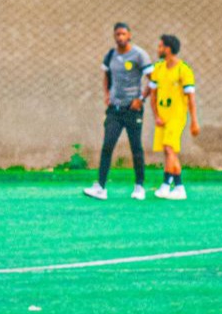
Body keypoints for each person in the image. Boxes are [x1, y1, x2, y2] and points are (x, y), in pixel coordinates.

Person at [83, 22, 153, 201]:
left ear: (129, 35)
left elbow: (153, 81)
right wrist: (107, 95)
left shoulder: (139, 55)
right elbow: (106, 76)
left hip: (132, 110)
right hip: (114, 110)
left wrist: (141, 99)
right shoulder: (111, 55)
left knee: (136, 148)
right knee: (107, 146)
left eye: (123, 34)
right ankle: (101, 187)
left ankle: (139, 187)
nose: (120, 37)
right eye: (117, 34)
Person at [149, 34, 200, 200]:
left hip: (176, 117)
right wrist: (156, 115)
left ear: (168, 49)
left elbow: (191, 98)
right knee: (167, 151)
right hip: (162, 118)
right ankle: (178, 187)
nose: (158, 49)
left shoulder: (184, 70)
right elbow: (153, 94)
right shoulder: (158, 68)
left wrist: (194, 121)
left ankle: (167, 185)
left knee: (169, 149)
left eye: (160, 46)